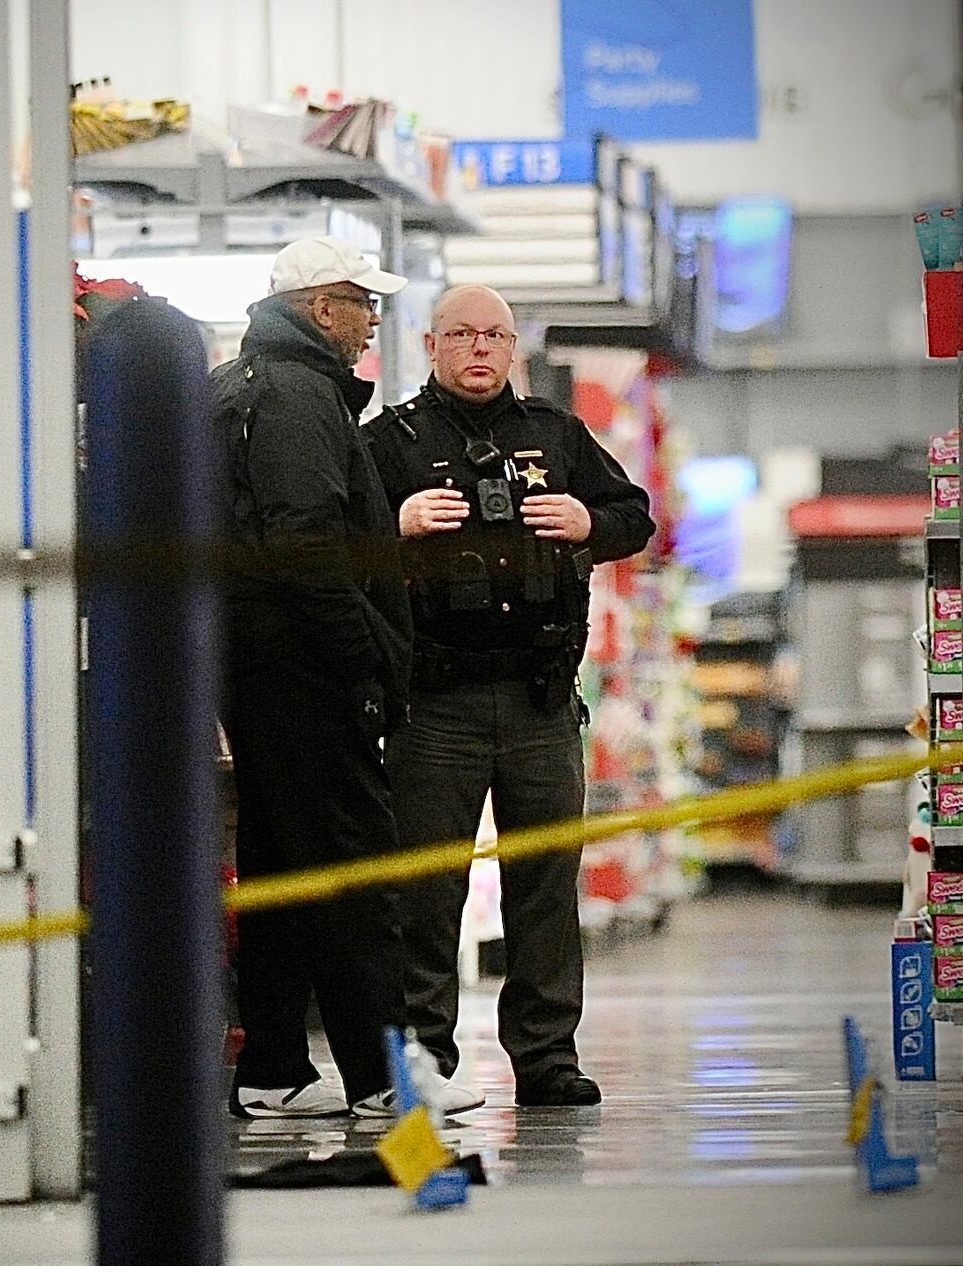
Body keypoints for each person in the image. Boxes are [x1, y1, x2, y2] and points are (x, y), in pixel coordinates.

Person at [364, 284, 656, 1108]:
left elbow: (634, 515)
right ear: (431, 344)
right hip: (435, 706)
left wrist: (587, 522)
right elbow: (331, 545)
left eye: (494, 334)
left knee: (545, 889)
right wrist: (396, 523)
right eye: (462, 334)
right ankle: (423, 1060)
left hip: (538, 701)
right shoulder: (391, 442)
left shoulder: (555, 434)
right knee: (425, 892)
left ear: (513, 346)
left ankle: (546, 1056)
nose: (479, 349)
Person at [214, 236, 413, 1119]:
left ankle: (274, 1070)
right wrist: (363, 660)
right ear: (321, 308)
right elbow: (305, 546)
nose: (373, 319)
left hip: (260, 669)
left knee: (282, 868)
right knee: (351, 867)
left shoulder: (250, 386)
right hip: (303, 672)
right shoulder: (296, 398)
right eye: (363, 302)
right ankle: (381, 1077)